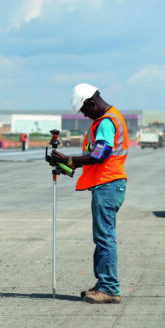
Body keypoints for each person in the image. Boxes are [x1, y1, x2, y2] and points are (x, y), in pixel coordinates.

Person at [51, 83, 129, 304]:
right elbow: (95, 158)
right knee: (101, 237)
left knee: (105, 238)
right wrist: (68, 165)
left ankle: (110, 288)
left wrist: (69, 160)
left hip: (108, 184)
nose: (85, 116)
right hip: (107, 183)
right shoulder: (108, 119)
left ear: (92, 103)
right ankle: (103, 283)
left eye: (85, 111)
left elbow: (100, 154)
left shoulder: (105, 122)